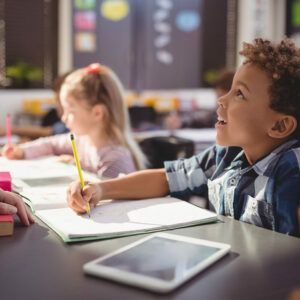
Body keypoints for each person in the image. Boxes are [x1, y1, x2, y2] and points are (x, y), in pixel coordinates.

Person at [67, 38, 300, 236]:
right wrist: (100, 189)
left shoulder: (292, 173)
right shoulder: (226, 155)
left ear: (280, 125)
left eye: (239, 94)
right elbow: (165, 179)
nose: (222, 100)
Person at [2, 63, 146, 179]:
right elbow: (51, 144)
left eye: (70, 111)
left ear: (97, 113)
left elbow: (107, 201)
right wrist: (21, 151)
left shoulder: (116, 160)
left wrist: (79, 169)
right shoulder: (82, 140)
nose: (64, 117)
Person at [0, 73, 69, 140]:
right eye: (56, 99)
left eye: (59, 99)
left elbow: (49, 132)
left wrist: (10, 129)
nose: (57, 103)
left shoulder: (70, 126)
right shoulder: (52, 114)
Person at [165, 70, 235, 130]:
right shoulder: (216, 115)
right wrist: (180, 122)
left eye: (221, 96)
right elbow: (204, 120)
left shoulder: (238, 119)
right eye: (217, 96)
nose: (218, 101)